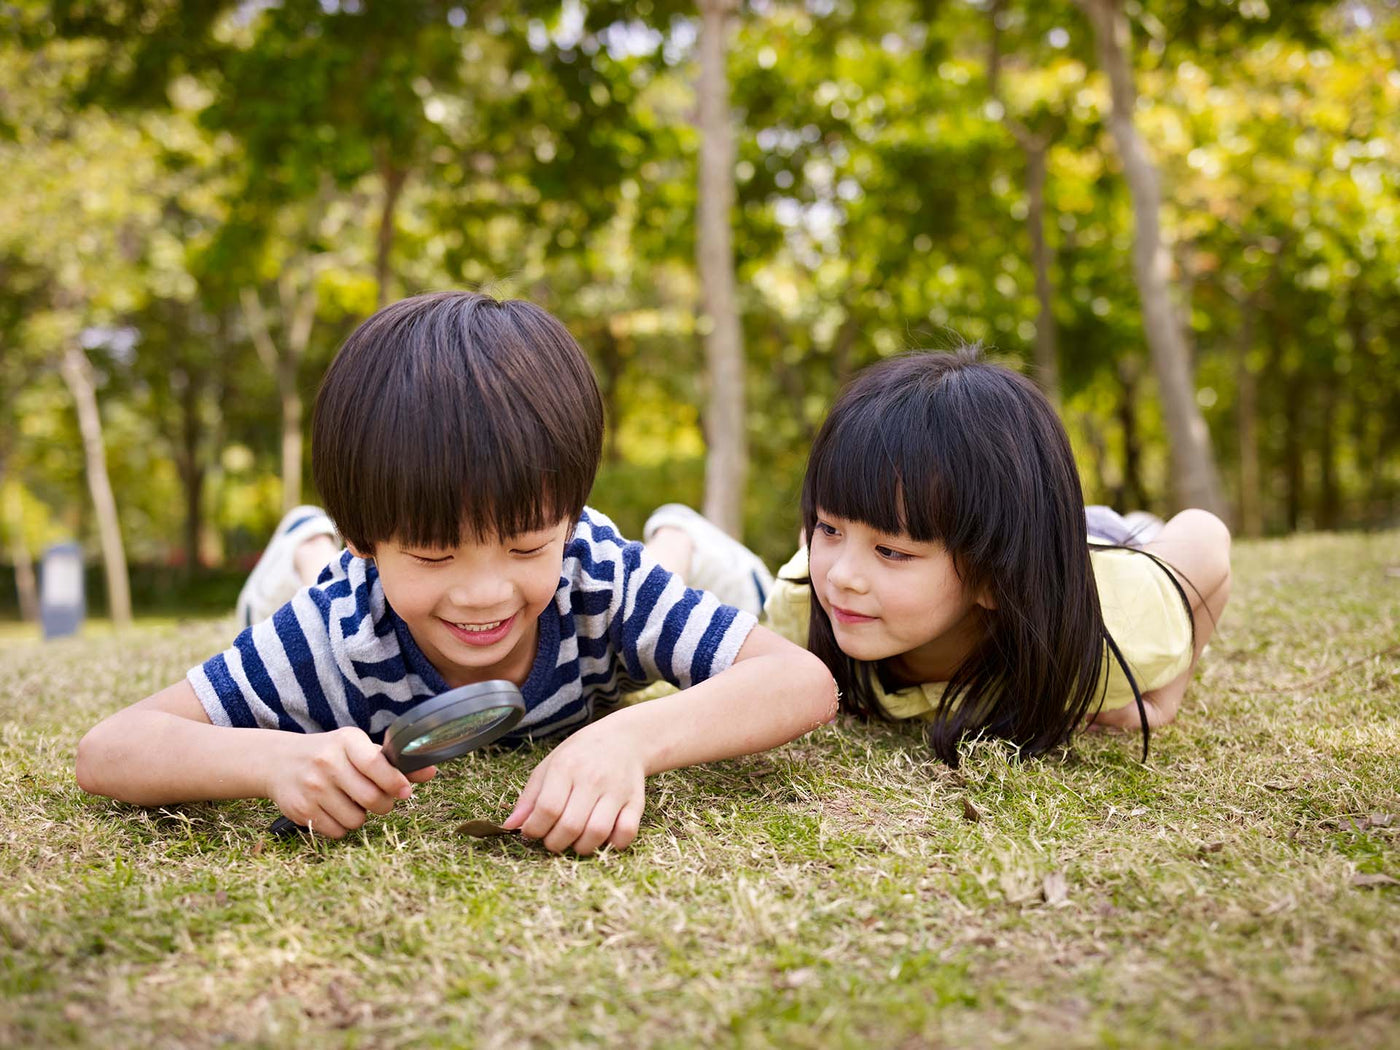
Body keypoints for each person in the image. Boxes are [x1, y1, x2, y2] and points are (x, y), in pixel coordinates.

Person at [75, 291, 836, 852]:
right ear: (368, 544)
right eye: (435, 555)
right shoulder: (332, 632)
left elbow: (802, 681)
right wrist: (276, 761)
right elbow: (109, 749)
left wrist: (630, 740)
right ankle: (304, 541)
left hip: (616, 566)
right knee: (305, 580)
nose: (483, 593)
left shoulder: (595, 573)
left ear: (568, 522)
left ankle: (677, 537)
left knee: (670, 572)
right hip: (323, 579)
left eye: (526, 546)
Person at [643, 348, 1231, 765]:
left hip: (1098, 540)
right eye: (828, 527)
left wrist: (1160, 700)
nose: (843, 578)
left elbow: (1205, 539)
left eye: (892, 551)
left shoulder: (1117, 623)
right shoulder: (803, 608)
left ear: (995, 576)